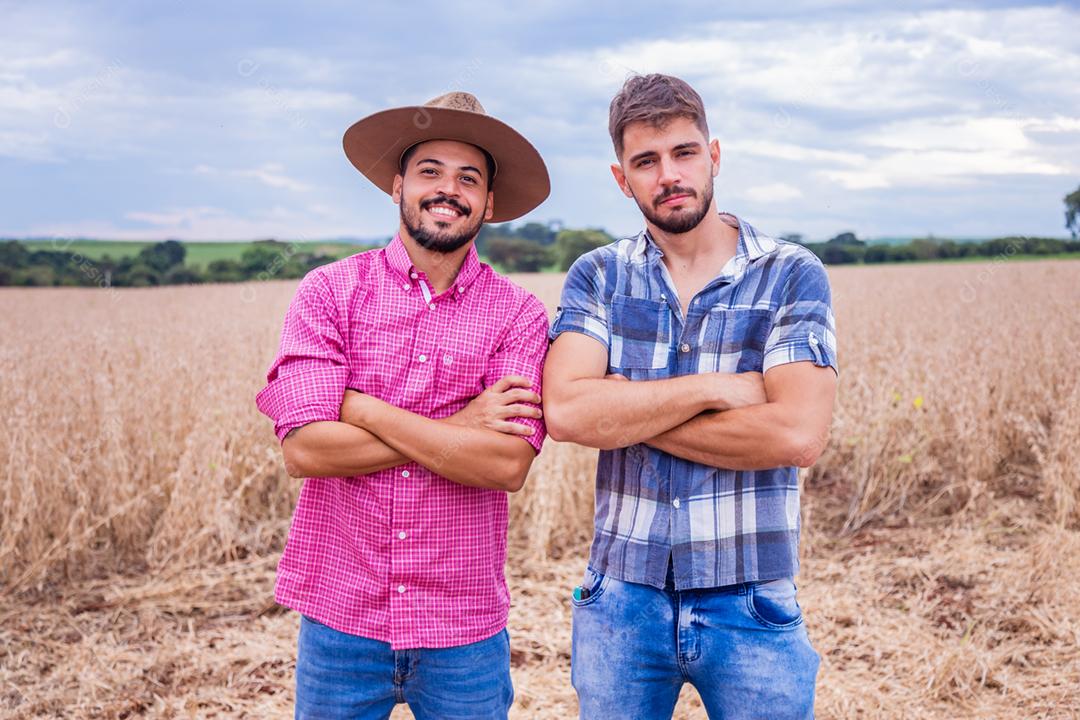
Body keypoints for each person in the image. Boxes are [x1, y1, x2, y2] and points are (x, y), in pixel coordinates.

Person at [543, 73, 838, 719]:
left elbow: (794, 435)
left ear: (714, 156)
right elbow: (565, 413)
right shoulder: (598, 274)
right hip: (622, 597)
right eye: (645, 161)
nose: (667, 174)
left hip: (752, 596)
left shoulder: (789, 273)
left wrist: (624, 410)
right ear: (623, 178)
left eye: (683, 153)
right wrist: (713, 390)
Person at [255, 91, 551, 719]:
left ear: (489, 203)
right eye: (430, 172)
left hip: (464, 629)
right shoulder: (329, 293)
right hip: (341, 620)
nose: (449, 190)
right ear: (397, 186)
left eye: (469, 178)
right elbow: (305, 450)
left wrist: (357, 408)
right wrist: (457, 426)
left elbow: (505, 465)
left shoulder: (520, 315)